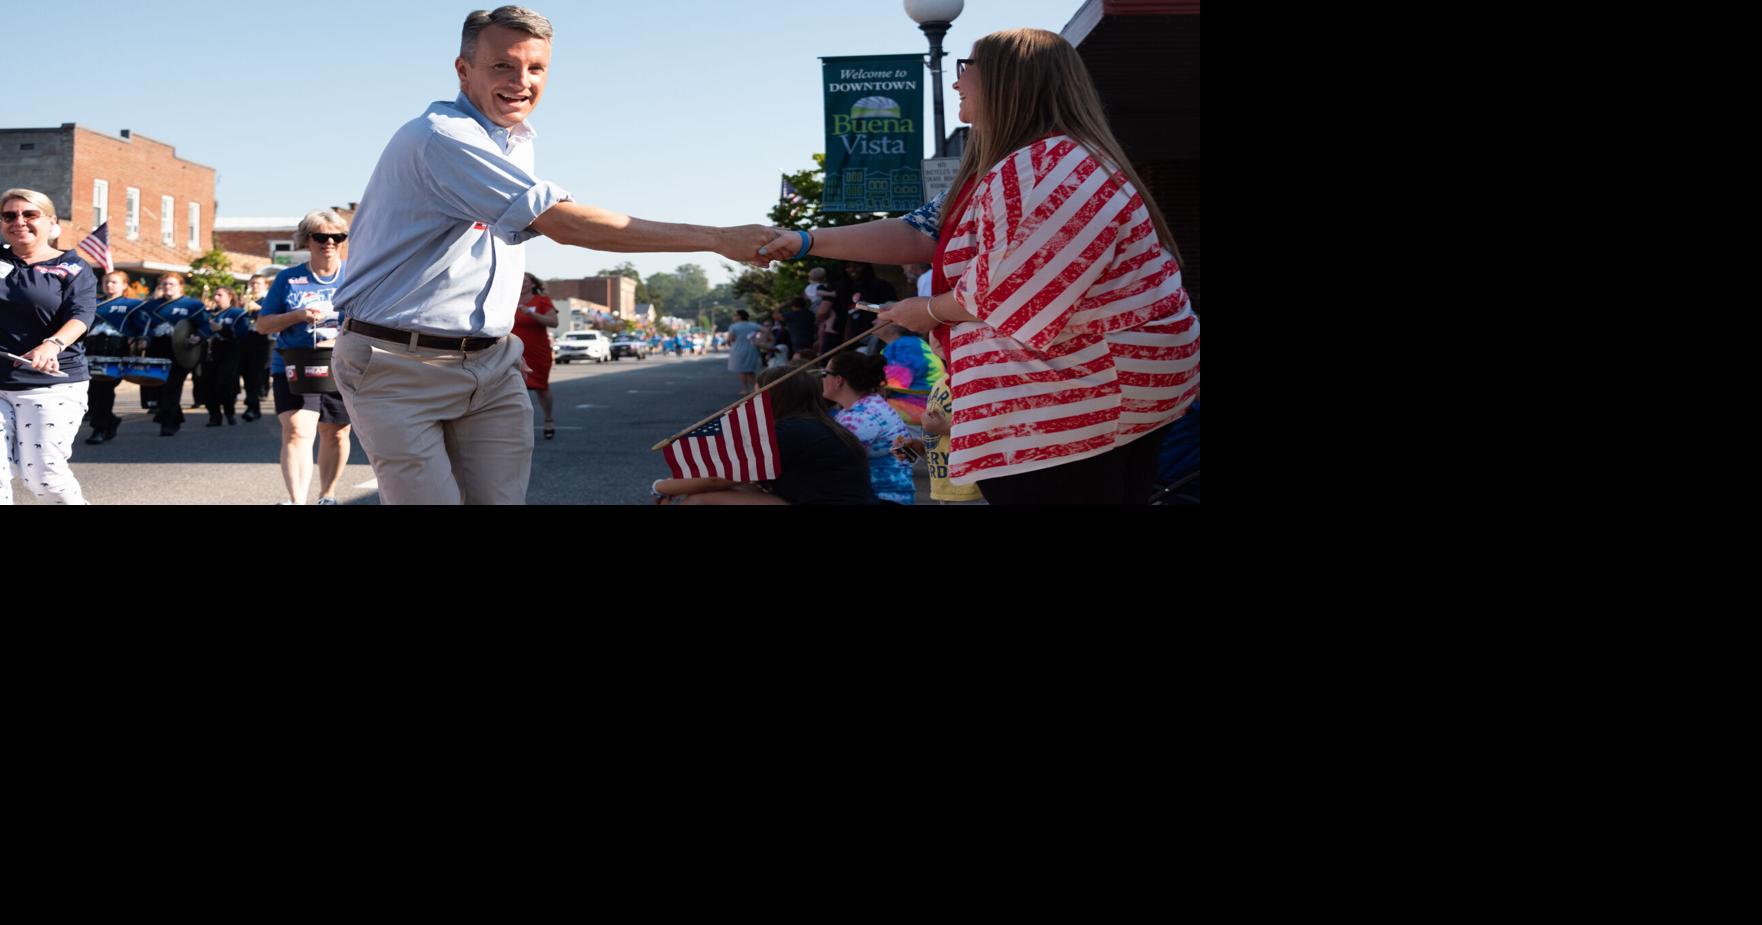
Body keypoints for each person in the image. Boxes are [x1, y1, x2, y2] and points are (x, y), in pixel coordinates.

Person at [331, 5, 775, 505]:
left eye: (535, 68)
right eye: (502, 65)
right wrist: (718, 238)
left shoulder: (513, 140)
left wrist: (490, 342)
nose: (521, 81)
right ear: (463, 69)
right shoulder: (442, 137)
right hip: (398, 364)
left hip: (488, 366)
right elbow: (565, 224)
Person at [759, 28, 1200, 505]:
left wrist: (925, 311)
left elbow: (1013, 289)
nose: (956, 83)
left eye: (966, 68)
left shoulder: (1051, 164)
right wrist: (802, 241)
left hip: (1072, 406)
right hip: (1073, 406)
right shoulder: (1027, 164)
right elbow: (920, 231)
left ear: (1010, 80)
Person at [652, 362, 876, 506]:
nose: (749, 399)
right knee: (737, 487)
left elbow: (715, 480)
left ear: (774, 397)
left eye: (756, 393)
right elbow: (738, 478)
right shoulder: (815, 424)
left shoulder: (789, 431)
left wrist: (660, 487)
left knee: (702, 499)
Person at [2, 188, 96, 505]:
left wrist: (52, 344)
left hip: (51, 384)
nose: (19, 222)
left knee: (43, 478)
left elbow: (82, 316)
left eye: (30, 214)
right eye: (10, 215)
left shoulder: (72, 267)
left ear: (51, 222)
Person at [256, 209, 352, 505]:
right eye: (321, 237)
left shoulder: (355, 276)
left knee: (334, 432)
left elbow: (372, 320)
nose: (330, 243)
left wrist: (338, 339)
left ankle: (327, 495)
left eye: (338, 237)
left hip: (341, 363)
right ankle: (297, 501)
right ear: (306, 240)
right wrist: (296, 315)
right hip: (294, 363)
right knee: (297, 429)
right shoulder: (288, 278)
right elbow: (263, 325)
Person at [822, 351, 915, 505]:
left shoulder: (861, 417)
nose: (822, 379)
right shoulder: (872, 405)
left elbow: (831, 463)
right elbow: (909, 456)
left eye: (825, 373)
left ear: (838, 380)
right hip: (894, 495)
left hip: (881, 498)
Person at [137, 272, 211, 436]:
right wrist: (144, 339)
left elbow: (205, 326)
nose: (167, 287)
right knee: (159, 385)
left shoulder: (193, 305)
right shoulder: (151, 305)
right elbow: (146, 327)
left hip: (181, 348)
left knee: (172, 385)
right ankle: (173, 416)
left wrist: (197, 336)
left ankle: (169, 423)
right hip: (157, 347)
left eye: (172, 284)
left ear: (181, 287)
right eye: (164, 284)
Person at [82, 270, 145, 445]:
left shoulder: (132, 304)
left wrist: (142, 339)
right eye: (106, 282)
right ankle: (110, 420)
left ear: (124, 285)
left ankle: (99, 428)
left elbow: (141, 326)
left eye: (114, 282)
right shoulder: (92, 303)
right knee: (91, 391)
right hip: (91, 348)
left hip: (115, 349)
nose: (109, 285)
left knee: (104, 390)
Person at [873, 320, 943, 428]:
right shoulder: (901, 345)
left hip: (923, 407)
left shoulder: (908, 344)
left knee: (865, 409)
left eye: (878, 319)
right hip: (915, 406)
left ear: (894, 324)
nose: (873, 322)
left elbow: (900, 378)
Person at [514, 272, 560, 439]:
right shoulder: (508, 300)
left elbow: (554, 322)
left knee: (541, 387)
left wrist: (531, 314)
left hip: (537, 351)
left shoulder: (542, 301)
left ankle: (548, 418)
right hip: (513, 352)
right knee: (513, 388)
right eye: (520, 280)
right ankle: (518, 425)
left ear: (533, 284)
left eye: (526, 281)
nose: (522, 283)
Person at [200, 286, 248, 426]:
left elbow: (242, 334)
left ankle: (229, 412)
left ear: (230, 297)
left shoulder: (237, 313)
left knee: (225, 383)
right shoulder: (208, 314)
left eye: (220, 295)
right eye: (215, 295)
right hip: (210, 351)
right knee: (208, 384)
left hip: (229, 351)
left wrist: (223, 329)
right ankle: (214, 416)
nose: (216, 298)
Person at [237, 268, 277, 422]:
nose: (254, 286)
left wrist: (258, 308)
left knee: (256, 372)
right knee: (246, 372)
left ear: (265, 286)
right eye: (252, 283)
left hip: (263, 338)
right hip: (246, 338)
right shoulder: (246, 299)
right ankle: (251, 402)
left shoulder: (268, 300)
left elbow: (274, 315)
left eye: (258, 284)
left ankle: (253, 406)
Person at [726, 309, 763, 394]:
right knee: (750, 370)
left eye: (735, 315)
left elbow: (730, 339)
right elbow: (766, 330)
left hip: (738, 349)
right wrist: (760, 340)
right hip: (752, 349)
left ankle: (745, 389)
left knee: (741, 370)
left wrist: (729, 343)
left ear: (739, 316)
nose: (733, 317)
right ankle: (756, 388)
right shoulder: (753, 325)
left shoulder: (733, 326)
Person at [781, 296, 818, 362]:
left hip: (798, 341)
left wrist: (781, 306)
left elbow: (775, 316)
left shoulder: (791, 314)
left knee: (798, 358)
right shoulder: (810, 314)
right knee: (809, 356)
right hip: (810, 339)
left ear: (793, 305)